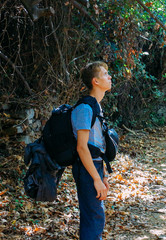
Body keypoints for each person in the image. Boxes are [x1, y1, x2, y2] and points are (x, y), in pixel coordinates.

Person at [71, 61, 112, 239]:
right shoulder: (85, 108)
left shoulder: (96, 106)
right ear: (95, 81)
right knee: (93, 218)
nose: (109, 77)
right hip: (86, 169)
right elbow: (82, 147)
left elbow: (96, 146)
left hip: (94, 166)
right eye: (105, 74)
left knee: (96, 216)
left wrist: (102, 175)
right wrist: (96, 179)